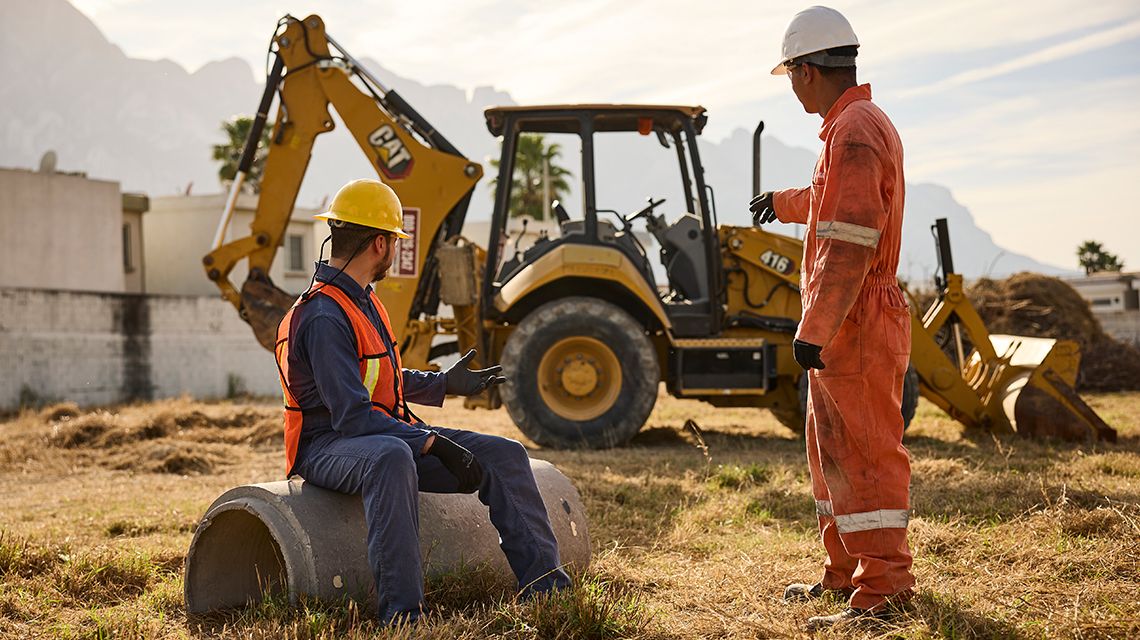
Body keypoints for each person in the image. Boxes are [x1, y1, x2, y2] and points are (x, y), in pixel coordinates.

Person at [274, 178, 571, 624]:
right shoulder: (323, 315)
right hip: (326, 446)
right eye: (394, 240)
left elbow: (381, 378)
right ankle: (403, 616)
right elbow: (353, 417)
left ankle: (546, 590)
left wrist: (444, 384)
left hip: (379, 433)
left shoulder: (363, 301)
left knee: (505, 455)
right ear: (379, 243)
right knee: (392, 456)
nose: (394, 249)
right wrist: (430, 443)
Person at [749, 5, 915, 632]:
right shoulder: (849, 129)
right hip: (849, 316)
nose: (790, 86)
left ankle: (886, 591)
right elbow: (830, 200)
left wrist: (813, 328)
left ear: (807, 71)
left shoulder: (854, 132)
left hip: (856, 317)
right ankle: (844, 574)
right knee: (834, 452)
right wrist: (783, 202)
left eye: (790, 73)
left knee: (866, 454)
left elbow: (848, 241)